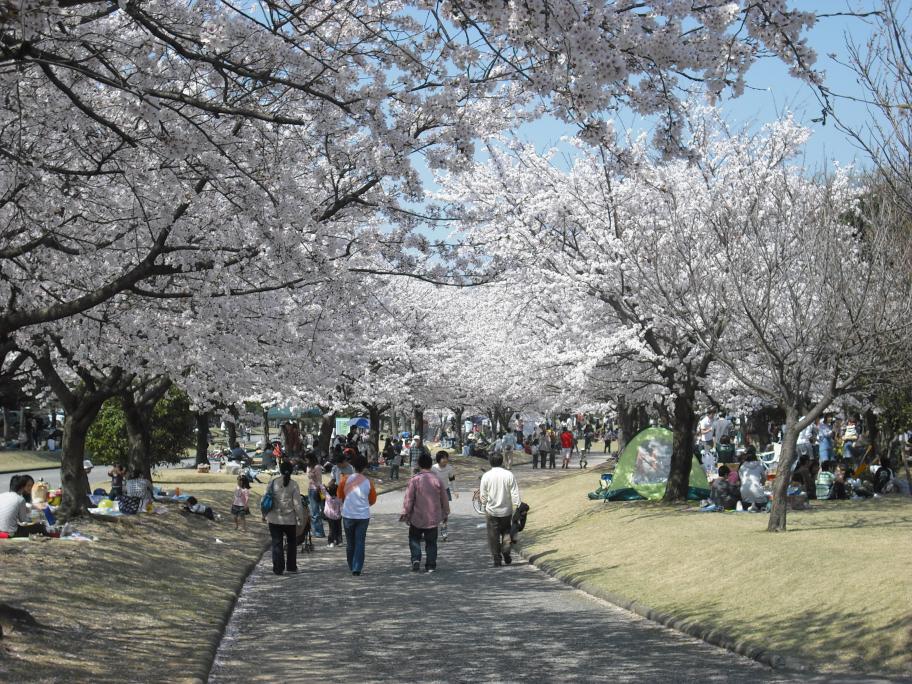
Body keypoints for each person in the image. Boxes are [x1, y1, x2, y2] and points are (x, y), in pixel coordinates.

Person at [400, 452, 450, 573]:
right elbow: (444, 498)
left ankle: (416, 559)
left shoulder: (415, 480)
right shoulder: (437, 480)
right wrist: (446, 513)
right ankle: (431, 565)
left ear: (419, 464)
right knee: (431, 542)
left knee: (414, 538)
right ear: (430, 464)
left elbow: (409, 498)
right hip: (433, 517)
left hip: (417, 517)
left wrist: (405, 512)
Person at [479, 452, 521, 567]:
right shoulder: (508, 475)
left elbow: (483, 495)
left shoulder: (486, 476)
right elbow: (515, 492)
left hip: (491, 510)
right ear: (502, 461)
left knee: (493, 536)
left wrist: (484, 503)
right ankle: (506, 551)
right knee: (506, 532)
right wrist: (518, 505)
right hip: (506, 510)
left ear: (490, 462)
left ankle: (497, 558)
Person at [338, 453, 377, 576]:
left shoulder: (344, 480)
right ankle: (357, 567)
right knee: (360, 541)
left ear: (353, 466)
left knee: (350, 542)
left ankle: (351, 564)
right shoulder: (368, 482)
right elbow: (372, 500)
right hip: (363, 516)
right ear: (364, 467)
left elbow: (340, 496)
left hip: (348, 514)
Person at [264, 460, 305, 575]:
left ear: (280, 470)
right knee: (292, 542)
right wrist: (300, 519)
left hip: (274, 518)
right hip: (289, 519)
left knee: (277, 542)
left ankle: (278, 568)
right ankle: (291, 566)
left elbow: (265, 499)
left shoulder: (272, 483)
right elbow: (297, 504)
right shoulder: (294, 485)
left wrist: (264, 514)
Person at [432, 451, 456, 540]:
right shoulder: (433, 468)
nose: (445, 460)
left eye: (447, 458)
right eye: (443, 458)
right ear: (439, 459)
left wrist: (455, 490)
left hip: (445, 491)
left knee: (445, 512)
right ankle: (430, 529)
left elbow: (452, 479)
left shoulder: (449, 468)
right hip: (435, 492)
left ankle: (444, 528)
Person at [305, 453, 326, 539]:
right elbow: (309, 477)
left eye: (307, 459)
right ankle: (315, 531)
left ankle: (319, 532)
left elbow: (318, 480)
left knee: (316, 512)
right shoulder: (308, 467)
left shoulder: (317, 467)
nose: (306, 461)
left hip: (316, 490)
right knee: (313, 511)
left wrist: (319, 491)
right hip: (310, 489)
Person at [323, 481, 343, 547]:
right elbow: (341, 507)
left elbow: (323, 489)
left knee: (331, 529)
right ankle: (339, 541)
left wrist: (324, 486)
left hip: (330, 516)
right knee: (338, 528)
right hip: (338, 516)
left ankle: (331, 542)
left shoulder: (327, 497)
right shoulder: (339, 498)